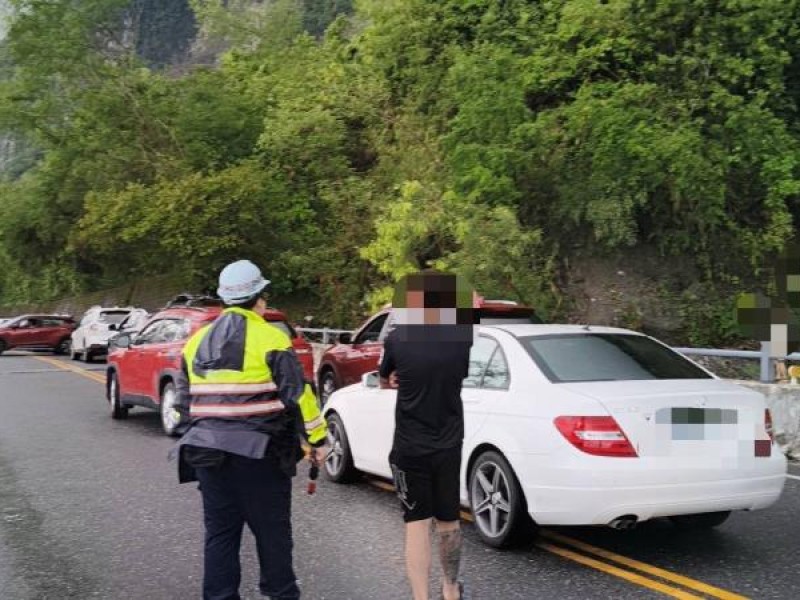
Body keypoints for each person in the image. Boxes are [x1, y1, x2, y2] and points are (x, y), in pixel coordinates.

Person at [168, 259, 327, 600]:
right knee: (272, 533)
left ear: (223, 300)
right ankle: (281, 594)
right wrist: (317, 439)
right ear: (260, 297)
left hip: (206, 452)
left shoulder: (195, 343)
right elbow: (299, 397)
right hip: (259, 455)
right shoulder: (271, 339)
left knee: (220, 534)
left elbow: (183, 405)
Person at [379, 271, 474, 600]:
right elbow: (459, 371)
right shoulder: (462, 337)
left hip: (409, 446)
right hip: (448, 444)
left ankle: (421, 598)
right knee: (449, 522)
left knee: (417, 524)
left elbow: (385, 377)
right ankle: (450, 590)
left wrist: (395, 377)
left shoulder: (397, 338)